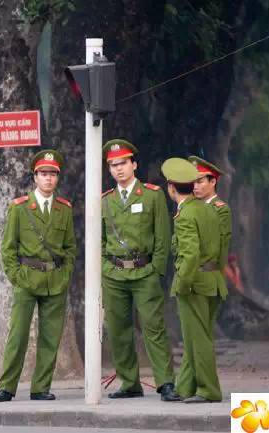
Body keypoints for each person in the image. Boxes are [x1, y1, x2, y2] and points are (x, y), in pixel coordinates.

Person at [0, 149, 77, 403]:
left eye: (53, 174)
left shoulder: (64, 209)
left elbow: (70, 248)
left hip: (55, 280)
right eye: (43, 173)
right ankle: (6, 387)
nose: (48, 178)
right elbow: (7, 249)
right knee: (17, 336)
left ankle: (40, 387)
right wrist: (17, 276)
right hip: (27, 279)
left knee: (50, 337)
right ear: (35, 177)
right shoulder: (19, 208)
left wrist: (65, 273)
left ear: (58, 178)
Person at [100, 139, 178, 401]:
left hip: (145, 272)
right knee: (118, 330)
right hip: (114, 273)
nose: (118, 169)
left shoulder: (152, 195)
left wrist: (156, 270)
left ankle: (165, 382)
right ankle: (129, 383)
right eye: (113, 165)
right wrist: (105, 268)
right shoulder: (105, 201)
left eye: (122, 163)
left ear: (134, 164)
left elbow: (162, 237)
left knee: (153, 328)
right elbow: (98, 240)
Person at [161, 158, 226, 403]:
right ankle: (186, 387)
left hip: (195, 283)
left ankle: (209, 390)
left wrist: (184, 283)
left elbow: (189, 254)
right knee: (194, 338)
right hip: (210, 279)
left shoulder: (186, 214)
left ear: (171, 188)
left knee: (198, 340)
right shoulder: (208, 208)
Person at [189, 156, 232, 274]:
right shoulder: (190, 208)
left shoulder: (221, 210)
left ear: (213, 182)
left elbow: (222, 246)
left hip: (208, 273)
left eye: (199, 181)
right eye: (193, 182)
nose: (195, 186)